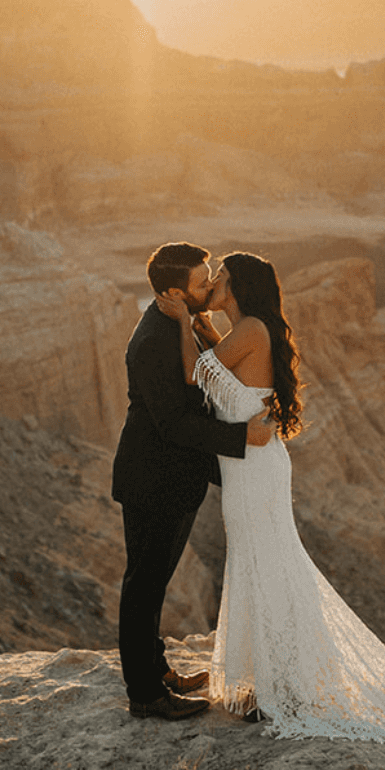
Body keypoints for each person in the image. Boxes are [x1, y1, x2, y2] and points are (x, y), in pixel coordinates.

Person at [155, 251, 385, 741]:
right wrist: (198, 325)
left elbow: (197, 374)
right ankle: (273, 680)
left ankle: (283, 686)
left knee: (267, 562)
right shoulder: (246, 331)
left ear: (234, 287)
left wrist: (179, 321)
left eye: (218, 278)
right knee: (258, 562)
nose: (210, 284)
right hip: (249, 466)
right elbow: (221, 367)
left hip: (254, 470)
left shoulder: (252, 329)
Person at [112, 242, 274, 721]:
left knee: (154, 582)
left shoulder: (175, 324)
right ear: (175, 292)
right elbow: (175, 425)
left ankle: (157, 671)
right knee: (142, 586)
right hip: (152, 480)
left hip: (172, 480)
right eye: (203, 281)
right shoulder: (155, 339)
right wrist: (242, 438)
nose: (210, 286)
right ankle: (145, 695)